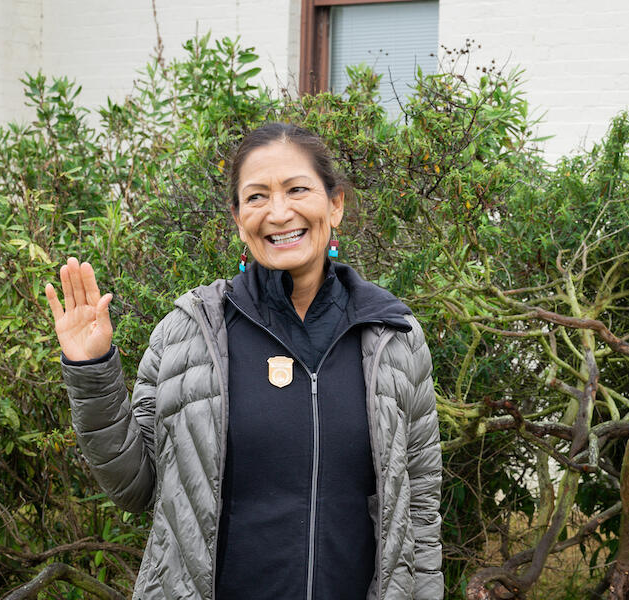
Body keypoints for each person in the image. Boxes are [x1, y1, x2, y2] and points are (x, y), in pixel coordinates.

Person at [45, 122, 443, 599]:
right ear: (237, 217)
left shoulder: (393, 337)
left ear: (334, 205)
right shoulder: (189, 332)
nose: (279, 212)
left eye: (297, 189)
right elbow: (135, 487)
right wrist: (92, 373)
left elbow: (418, 509)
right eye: (256, 197)